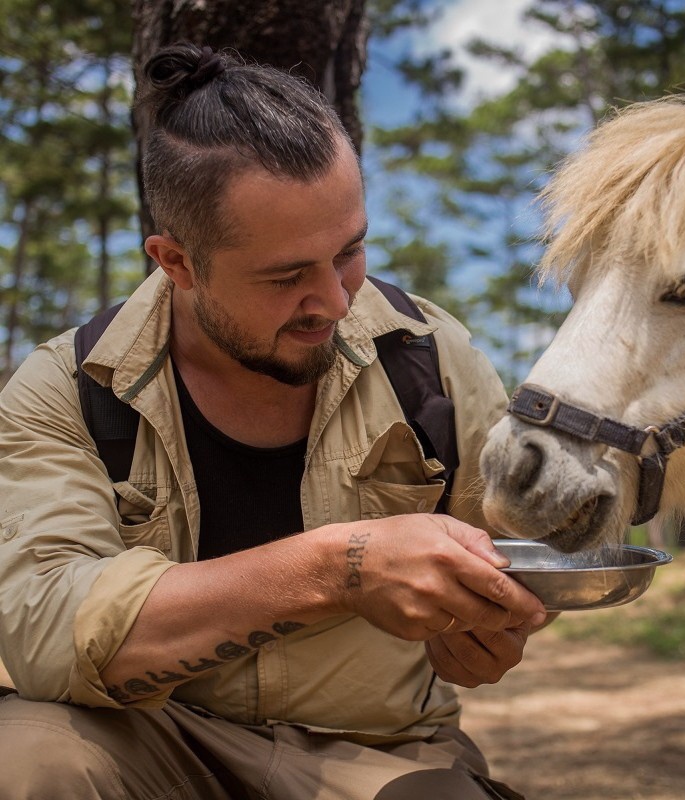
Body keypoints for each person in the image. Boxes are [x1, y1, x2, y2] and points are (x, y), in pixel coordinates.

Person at [0, 43, 549, 799]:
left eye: (349, 252)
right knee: (26, 761)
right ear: (176, 261)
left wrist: (492, 623)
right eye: (287, 277)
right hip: (152, 740)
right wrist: (338, 567)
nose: (334, 300)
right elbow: (48, 633)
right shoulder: (65, 387)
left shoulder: (428, 357)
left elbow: (514, 554)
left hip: (380, 754)